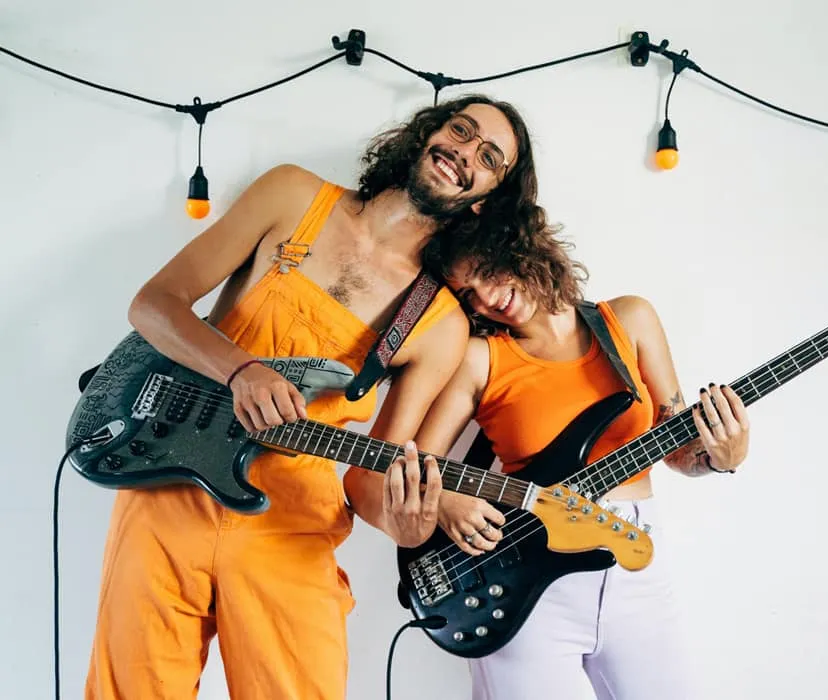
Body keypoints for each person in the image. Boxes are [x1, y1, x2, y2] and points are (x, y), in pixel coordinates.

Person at [83, 94, 543, 699]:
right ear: (430, 130)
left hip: (293, 530)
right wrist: (241, 369)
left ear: (485, 196)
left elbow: (369, 480)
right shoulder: (292, 195)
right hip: (168, 490)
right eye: (462, 131)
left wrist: (406, 524)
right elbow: (154, 305)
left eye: (488, 158)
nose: (465, 154)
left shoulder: (439, 325)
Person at [408, 219, 752, 699]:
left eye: (486, 270)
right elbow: (413, 462)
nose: (485, 299)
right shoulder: (480, 358)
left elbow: (678, 450)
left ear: (522, 245)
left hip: (637, 567)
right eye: (468, 294)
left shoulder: (629, 320)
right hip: (528, 576)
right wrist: (445, 502)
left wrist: (721, 457)